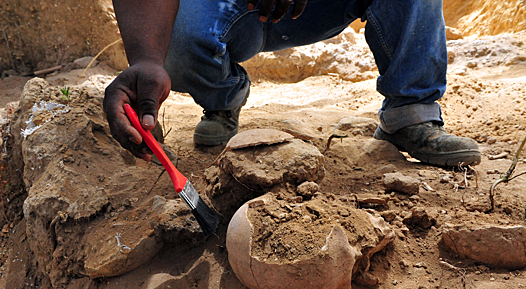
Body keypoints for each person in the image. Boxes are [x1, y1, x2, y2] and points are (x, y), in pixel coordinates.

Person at [103, 0, 481, 167]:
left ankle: (410, 112)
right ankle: (222, 96)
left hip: (317, 6)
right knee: (179, 41)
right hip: (230, 8)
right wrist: (148, 60)